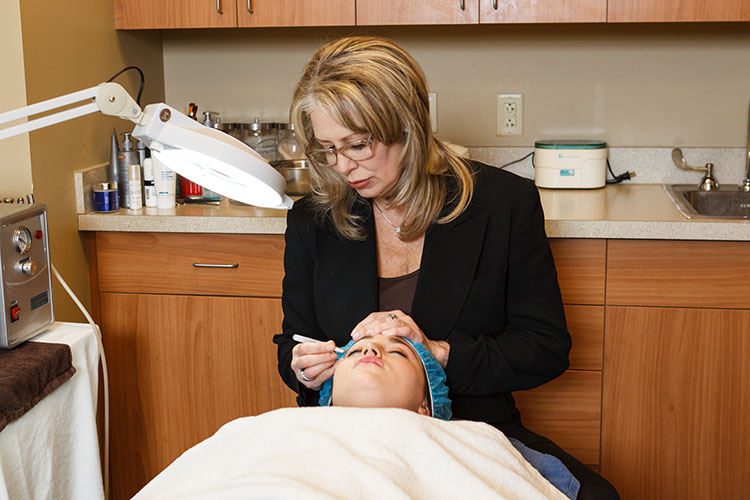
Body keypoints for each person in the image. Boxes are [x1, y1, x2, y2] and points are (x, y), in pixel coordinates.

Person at [273, 35, 619, 499]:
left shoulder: (501, 205)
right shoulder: (314, 220)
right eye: (327, 150)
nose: (343, 168)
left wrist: (438, 353)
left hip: (473, 433)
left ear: (407, 127)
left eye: (357, 145)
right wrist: (305, 367)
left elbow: (545, 348)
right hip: (345, 438)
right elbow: (291, 346)